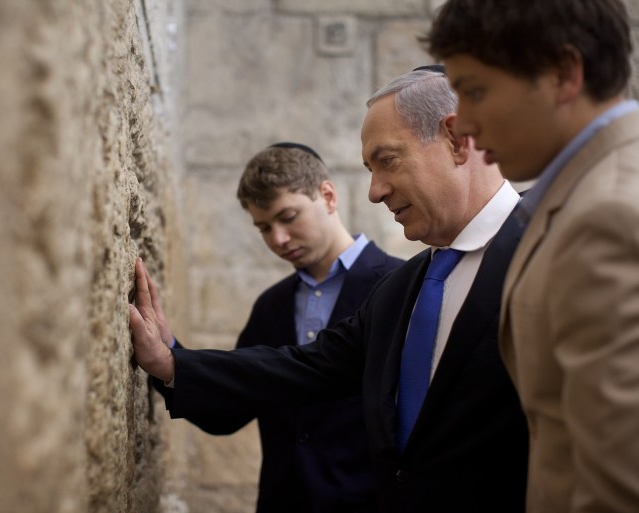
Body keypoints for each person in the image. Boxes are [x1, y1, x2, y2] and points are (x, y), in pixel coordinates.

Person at [130, 69, 529, 512]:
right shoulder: (400, 292)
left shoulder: (557, 247)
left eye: (388, 160)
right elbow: (307, 368)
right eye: (369, 169)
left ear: (456, 138)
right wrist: (171, 363)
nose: (375, 191)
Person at [426, 1, 639, 512]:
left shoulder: (608, 216)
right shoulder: (583, 194)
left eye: (476, 91)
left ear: (563, 73)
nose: (465, 124)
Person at [154, 142, 404, 513]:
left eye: (288, 217)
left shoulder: (398, 285)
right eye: (264, 227)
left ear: (328, 195)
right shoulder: (271, 306)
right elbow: (227, 411)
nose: (278, 239)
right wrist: (166, 354)